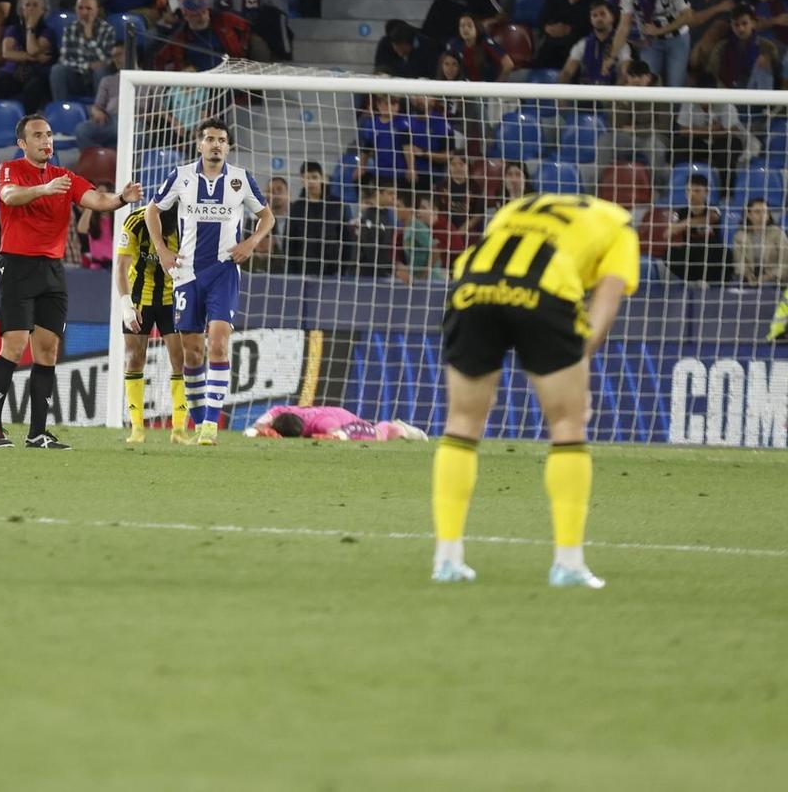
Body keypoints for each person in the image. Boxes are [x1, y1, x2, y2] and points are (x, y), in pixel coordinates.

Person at [433, 193, 639, 589]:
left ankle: (447, 559)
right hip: (544, 287)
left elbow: (492, 249)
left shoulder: (518, 205)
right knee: (567, 421)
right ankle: (568, 564)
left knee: (462, 420)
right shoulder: (618, 224)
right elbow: (607, 299)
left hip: (472, 284)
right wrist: (578, 358)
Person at [0, 113, 127, 448]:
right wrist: (43, 188)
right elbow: (9, 197)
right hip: (17, 266)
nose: (46, 141)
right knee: (14, 346)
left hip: (52, 270)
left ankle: (37, 433)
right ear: (22, 143)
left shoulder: (65, 177)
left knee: (47, 351)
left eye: (48, 135)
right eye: (38, 136)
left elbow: (97, 200)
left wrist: (122, 198)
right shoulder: (9, 170)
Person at [146, 118, 273, 446]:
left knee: (217, 344)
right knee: (191, 352)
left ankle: (210, 427)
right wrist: (161, 250)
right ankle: (199, 421)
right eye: (210, 139)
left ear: (228, 147)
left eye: (222, 140)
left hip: (224, 272)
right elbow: (152, 211)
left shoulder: (240, 180)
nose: (216, 144)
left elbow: (267, 216)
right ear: (199, 144)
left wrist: (251, 243)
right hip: (186, 274)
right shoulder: (181, 176)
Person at [115, 190, 198, 444]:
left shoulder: (186, 226)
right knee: (135, 357)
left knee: (180, 359)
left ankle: (178, 430)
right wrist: (126, 305)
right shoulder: (134, 222)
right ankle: (137, 428)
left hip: (171, 298)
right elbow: (121, 266)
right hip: (140, 297)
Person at [248, 406, 428, 441]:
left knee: (379, 434)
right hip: (331, 413)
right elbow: (259, 425)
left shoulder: (322, 423)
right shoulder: (280, 411)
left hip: (346, 421)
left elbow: (341, 433)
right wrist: (258, 430)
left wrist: (336, 436)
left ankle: (398, 427)